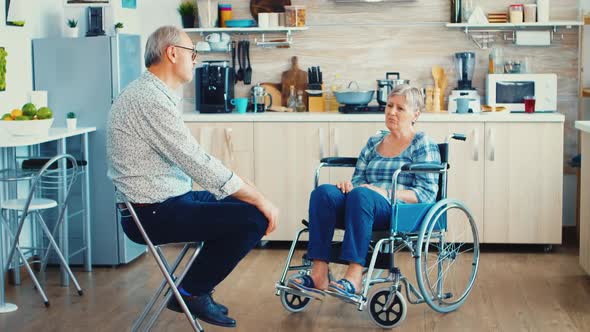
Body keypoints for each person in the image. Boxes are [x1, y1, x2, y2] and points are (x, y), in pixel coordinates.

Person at [106, 26, 279, 328]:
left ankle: (193, 289)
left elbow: (198, 161)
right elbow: (196, 161)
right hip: (151, 213)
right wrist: (260, 199)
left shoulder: (153, 94)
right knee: (253, 218)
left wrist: (253, 193)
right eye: (192, 53)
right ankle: (192, 291)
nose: (195, 60)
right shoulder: (149, 99)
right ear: (172, 53)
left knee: (249, 210)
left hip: (167, 201)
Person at [289, 84, 440, 300]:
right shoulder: (374, 142)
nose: (391, 112)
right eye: (389, 106)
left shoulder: (423, 144)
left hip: (398, 209)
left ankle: (354, 277)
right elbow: (359, 179)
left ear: (416, 114)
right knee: (324, 193)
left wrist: (380, 192)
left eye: (400, 108)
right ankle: (319, 273)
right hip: (362, 204)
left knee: (363, 195)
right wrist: (349, 187)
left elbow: (426, 193)